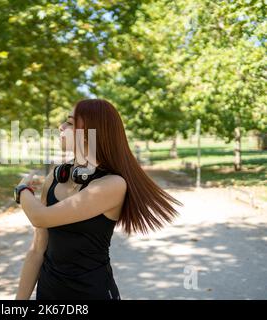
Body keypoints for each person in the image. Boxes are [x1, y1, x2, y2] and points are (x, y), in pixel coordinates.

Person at [14, 98, 183, 300]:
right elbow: (37, 249)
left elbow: (40, 217)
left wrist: (22, 190)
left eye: (70, 122)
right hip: (48, 293)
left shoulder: (112, 185)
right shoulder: (57, 176)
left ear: (89, 133)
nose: (61, 127)